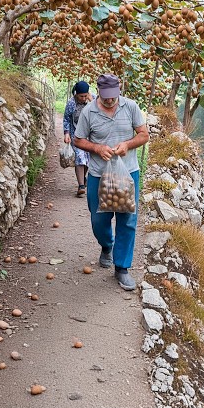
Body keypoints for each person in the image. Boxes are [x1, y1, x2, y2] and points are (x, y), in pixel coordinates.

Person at [73, 73, 149, 291]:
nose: (109, 100)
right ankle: (107, 245)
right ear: (98, 91)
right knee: (98, 219)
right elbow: (78, 140)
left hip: (128, 172)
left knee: (127, 219)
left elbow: (144, 135)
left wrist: (128, 144)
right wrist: (97, 148)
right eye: (105, 96)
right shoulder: (89, 111)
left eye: (113, 96)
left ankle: (122, 268)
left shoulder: (131, 107)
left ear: (119, 90)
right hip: (98, 173)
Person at [62, 80, 93, 197]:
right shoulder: (71, 103)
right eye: (81, 96)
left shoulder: (92, 100)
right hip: (76, 134)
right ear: (76, 94)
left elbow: (100, 111)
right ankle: (81, 186)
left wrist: (91, 100)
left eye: (85, 95)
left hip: (90, 135)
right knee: (80, 156)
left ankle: (83, 179)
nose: (83, 98)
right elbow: (66, 119)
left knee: (88, 159)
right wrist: (66, 133)